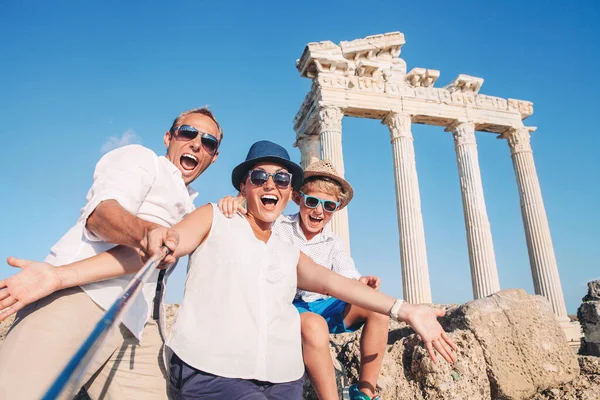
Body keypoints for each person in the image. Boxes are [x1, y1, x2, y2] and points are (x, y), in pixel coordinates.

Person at [2, 140, 456, 400]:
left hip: (281, 377)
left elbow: (336, 282)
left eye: (282, 179)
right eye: (260, 177)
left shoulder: (286, 246)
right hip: (213, 372)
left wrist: (405, 309)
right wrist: (59, 276)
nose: (271, 185)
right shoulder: (215, 217)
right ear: (243, 185)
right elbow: (154, 251)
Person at [0, 106, 222, 400]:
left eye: (208, 141)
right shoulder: (142, 160)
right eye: (188, 132)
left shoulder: (192, 208)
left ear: (214, 156)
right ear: (169, 137)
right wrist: (146, 233)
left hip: (138, 327)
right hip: (78, 299)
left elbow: (141, 260)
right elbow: (101, 214)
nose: (197, 143)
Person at [218, 159, 389, 400]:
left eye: (328, 206)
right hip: (287, 306)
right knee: (314, 325)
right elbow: (255, 215)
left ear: (336, 208)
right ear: (298, 199)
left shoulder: (333, 242)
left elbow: (347, 274)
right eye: (312, 202)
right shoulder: (279, 226)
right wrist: (237, 201)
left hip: (323, 306)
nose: (319, 211)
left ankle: (365, 393)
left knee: (378, 308)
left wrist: (361, 283)